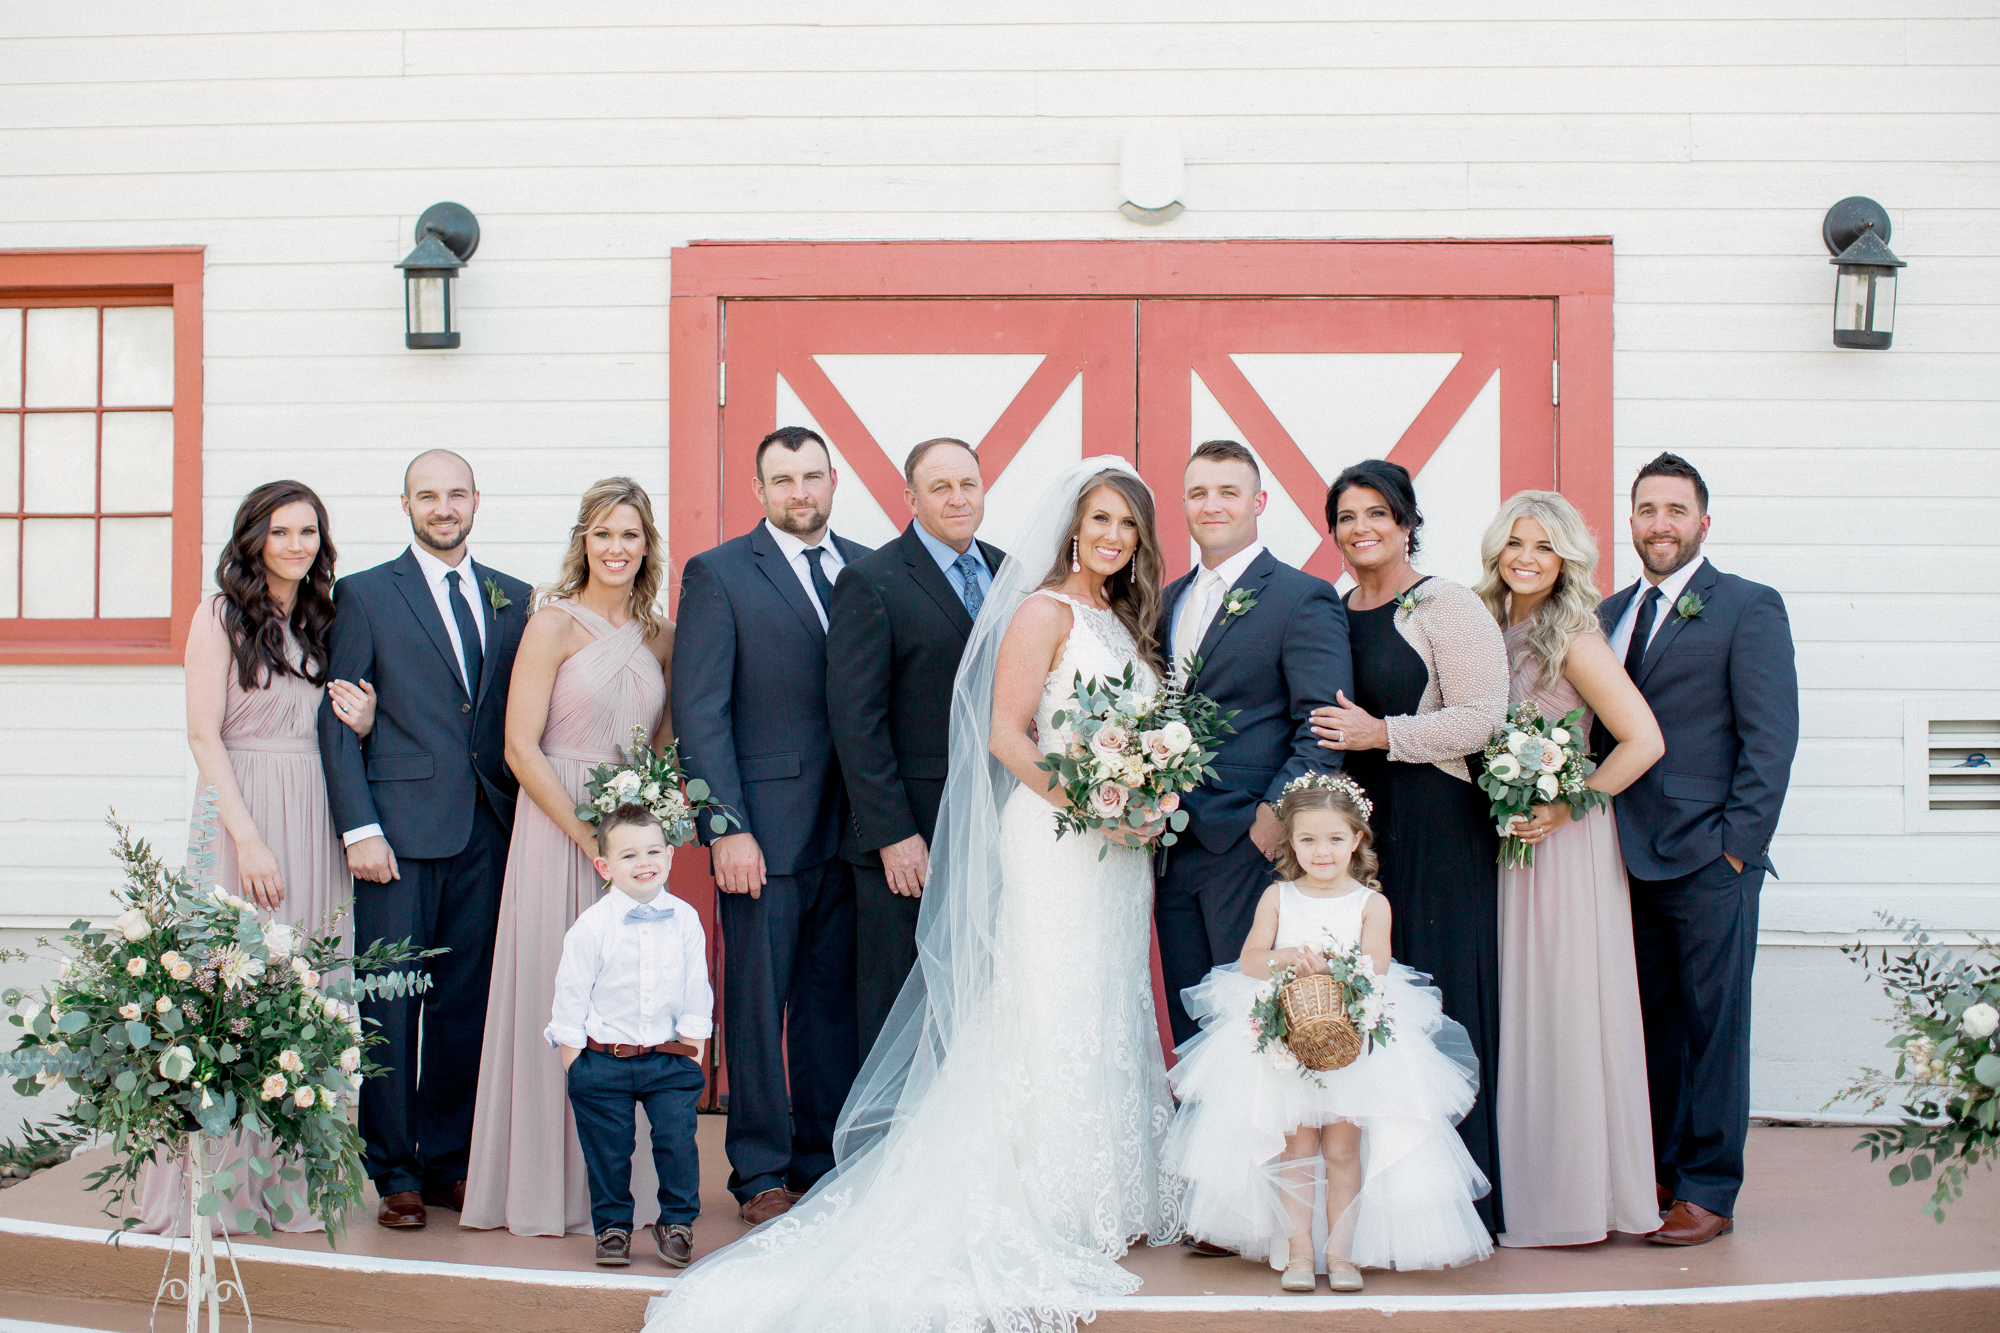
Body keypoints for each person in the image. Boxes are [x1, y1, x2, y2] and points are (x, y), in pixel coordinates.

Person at [649, 458, 1179, 1333]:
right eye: (1100, 519)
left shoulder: (1124, 618)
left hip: (1116, 855)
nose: (1114, 536)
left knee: (1103, 1000)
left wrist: (1145, 797)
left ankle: (1109, 1183)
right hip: (1058, 837)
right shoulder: (1040, 606)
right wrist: (1103, 800)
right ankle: (1040, 1190)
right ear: (1073, 527)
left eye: (1129, 523)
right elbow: (1003, 734)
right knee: (1041, 1003)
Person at [140, 480, 371, 1235]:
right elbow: (203, 735)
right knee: (232, 990)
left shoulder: (323, 617)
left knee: (311, 986)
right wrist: (247, 838)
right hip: (244, 813)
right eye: (282, 532)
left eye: (309, 531)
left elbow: (334, 722)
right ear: (254, 540)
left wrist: (364, 720)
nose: (297, 545)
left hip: (314, 808)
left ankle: (294, 1183)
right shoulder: (220, 617)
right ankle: (221, 1186)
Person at [1163, 777, 1492, 1293]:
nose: (1322, 851)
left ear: (1357, 839)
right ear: (1290, 842)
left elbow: (1376, 967)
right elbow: (1250, 960)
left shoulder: (1370, 903)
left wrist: (1337, 970)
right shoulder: (1278, 897)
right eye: (1309, 839)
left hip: (1352, 1039)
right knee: (1296, 1149)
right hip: (1285, 1035)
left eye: (1335, 839)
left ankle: (1341, 1254)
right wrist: (1290, 958)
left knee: (1342, 1149)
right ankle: (1298, 1254)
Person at [317, 449, 532, 1229]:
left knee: (463, 1007)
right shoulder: (368, 595)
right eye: (427, 495)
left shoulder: (515, 597)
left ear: (477, 499)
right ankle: (394, 1169)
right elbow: (339, 719)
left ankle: (447, 1160)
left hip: (488, 830)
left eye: (455, 494)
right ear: (405, 503)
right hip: (398, 838)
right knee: (389, 1004)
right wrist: (360, 826)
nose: (443, 507)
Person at [462, 478, 674, 1237]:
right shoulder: (549, 625)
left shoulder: (660, 636)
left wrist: (641, 840)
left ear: (648, 546)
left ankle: (612, 1188)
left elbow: (661, 754)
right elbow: (519, 745)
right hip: (558, 831)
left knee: (626, 1008)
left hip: (629, 842)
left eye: (631, 535)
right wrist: (589, 838)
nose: (617, 548)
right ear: (583, 540)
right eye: (603, 533)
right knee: (557, 1000)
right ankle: (539, 1185)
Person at [671, 426, 870, 1226]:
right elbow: (700, 709)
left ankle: (822, 1157)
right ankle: (757, 1169)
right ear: (759, 490)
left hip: (853, 832)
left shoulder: (866, 565)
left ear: (833, 481)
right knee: (757, 1002)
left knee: (833, 1005)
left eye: (812, 476)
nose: (800, 492)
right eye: (783, 479)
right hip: (763, 832)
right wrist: (724, 825)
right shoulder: (719, 574)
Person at [1598, 453, 1797, 1246]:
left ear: (1702, 522)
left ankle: (1710, 1187)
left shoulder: (1748, 607)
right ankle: (1659, 1169)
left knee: (1716, 1026)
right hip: (1621, 859)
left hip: (1710, 857)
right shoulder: (1610, 611)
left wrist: (1737, 851)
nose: (1659, 524)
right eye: (1646, 510)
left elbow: (1769, 740)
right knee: (1648, 1025)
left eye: (1675, 510)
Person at [1309, 458, 1510, 1234]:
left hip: (1435, 819)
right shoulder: (1331, 607)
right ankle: (1371, 1204)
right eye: (1347, 517)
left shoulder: (1443, 603)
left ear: (1407, 521)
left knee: (1438, 1000)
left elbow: (1483, 715)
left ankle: (1452, 1209)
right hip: (1358, 830)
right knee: (1369, 1001)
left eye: (1376, 515)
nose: (1361, 530)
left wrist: (1382, 733)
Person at [1473, 491, 1664, 1248]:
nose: (1526, 556)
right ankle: (1523, 1185)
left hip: (1565, 846)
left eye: (1545, 546)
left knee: (1563, 1007)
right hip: (1507, 840)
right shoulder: (1490, 625)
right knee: (1521, 1010)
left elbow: (1641, 740)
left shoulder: (1573, 636)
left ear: (1567, 560)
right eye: (1516, 542)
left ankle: (1575, 1196)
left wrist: (1566, 804)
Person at [1154, 439, 1351, 1054]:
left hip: (1247, 842)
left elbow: (1322, 725)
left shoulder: (1301, 596)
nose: (1212, 505)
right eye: (1198, 493)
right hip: (1168, 846)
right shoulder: (1168, 600)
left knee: (1253, 1021)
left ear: (1258, 501)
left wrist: (1272, 820)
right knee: (1196, 1026)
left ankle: (1266, 1153)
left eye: (1227, 492)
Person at [827, 437, 1006, 1057]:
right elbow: (857, 720)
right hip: (911, 837)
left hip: (1000, 823)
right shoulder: (871, 580)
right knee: (899, 1013)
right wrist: (891, 833)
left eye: (968, 485)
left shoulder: (1013, 572)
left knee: (983, 998)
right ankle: (888, 1151)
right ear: (910, 498)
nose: (958, 499)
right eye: (940, 487)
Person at [548, 804, 712, 1270]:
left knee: (678, 1141)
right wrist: (573, 1061)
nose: (645, 863)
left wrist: (692, 1051)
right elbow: (571, 994)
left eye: (654, 851)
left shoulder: (685, 920)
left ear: (670, 857)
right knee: (609, 1149)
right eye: (629, 856)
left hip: (668, 1059)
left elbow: (696, 990)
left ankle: (677, 1222)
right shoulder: (591, 927)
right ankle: (613, 1227)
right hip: (603, 1061)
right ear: (604, 867)